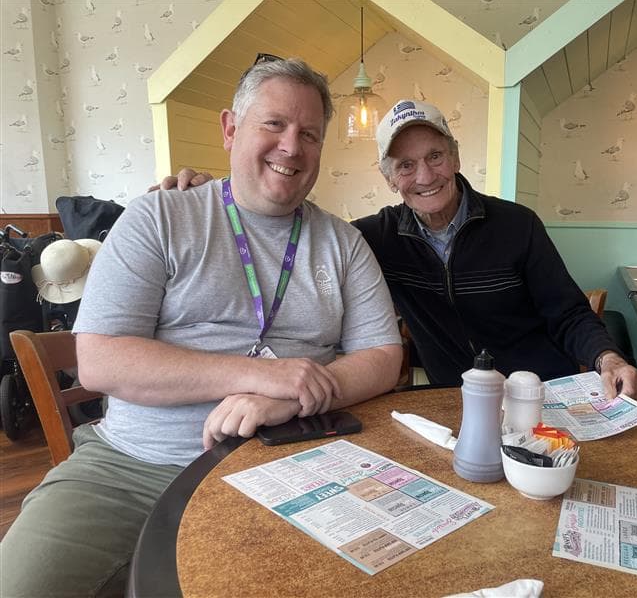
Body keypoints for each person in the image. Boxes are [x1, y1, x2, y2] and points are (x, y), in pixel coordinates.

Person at [0, 58, 402, 597]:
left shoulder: (344, 243)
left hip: (298, 456)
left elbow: (381, 353)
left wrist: (294, 397)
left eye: (310, 134)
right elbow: (99, 359)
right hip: (136, 468)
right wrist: (268, 376)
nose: (292, 146)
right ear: (230, 128)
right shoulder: (159, 217)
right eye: (274, 124)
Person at [160, 99, 637, 399]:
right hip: (453, 400)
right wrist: (215, 196)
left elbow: (568, 313)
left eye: (435, 157)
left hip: (539, 391)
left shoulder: (517, 224)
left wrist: (609, 359)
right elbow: (294, 228)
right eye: (405, 165)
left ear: (454, 157)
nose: (425, 175)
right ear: (389, 178)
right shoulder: (370, 236)